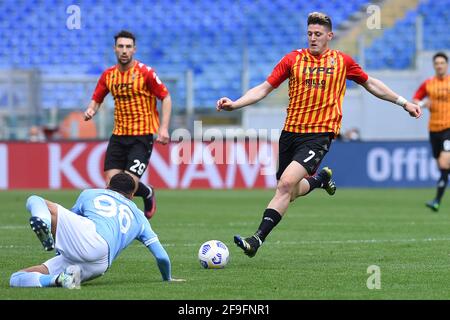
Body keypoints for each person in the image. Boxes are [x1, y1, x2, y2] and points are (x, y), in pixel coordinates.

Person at [217, 12, 422, 258]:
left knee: (285, 184)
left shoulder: (342, 62)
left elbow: (371, 83)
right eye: (310, 34)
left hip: (319, 135)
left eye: (318, 34)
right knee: (288, 191)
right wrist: (236, 103)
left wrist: (404, 102)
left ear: (329, 36)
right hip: (290, 132)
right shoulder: (293, 59)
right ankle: (319, 181)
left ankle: (256, 240)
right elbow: (264, 88)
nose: (313, 38)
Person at [9, 173, 184, 289]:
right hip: (100, 264)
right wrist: (167, 278)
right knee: (16, 278)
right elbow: (161, 256)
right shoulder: (140, 217)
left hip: (90, 238)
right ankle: (59, 279)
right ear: (132, 196)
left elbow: (71, 219)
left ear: (107, 187)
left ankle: (44, 224)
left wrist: (56, 238)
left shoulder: (90, 193)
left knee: (36, 199)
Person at [84, 30, 172, 219]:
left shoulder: (145, 73)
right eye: (121, 46)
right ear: (115, 49)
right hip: (118, 135)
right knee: (112, 182)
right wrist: (92, 109)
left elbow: (165, 97)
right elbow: (97, 98)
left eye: (128, 47)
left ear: (134, 49)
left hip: (142, 135)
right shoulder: (108, 75)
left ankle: (126, 223)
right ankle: (147, 191)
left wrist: (163, 127)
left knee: (126, 185)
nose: (124, 50)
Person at [413, 52, 450, 212]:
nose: (440, 65)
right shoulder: (428, 84)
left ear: (446, 65)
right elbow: (415, 100)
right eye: (437, 63)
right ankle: (436, 201)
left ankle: (436, 200)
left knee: (444, 162)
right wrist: (422, 103)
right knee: (442, 167)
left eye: (442, 63)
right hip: (433, 130)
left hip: (448, 128)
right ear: (434, 65)